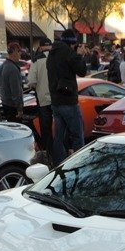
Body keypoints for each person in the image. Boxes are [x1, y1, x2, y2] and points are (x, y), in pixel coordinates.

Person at [46, 28, 87, 163]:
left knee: (59, 136)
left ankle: (59, 164)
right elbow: (82, 71)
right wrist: (80, 55)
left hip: (55, 101)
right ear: (72, 43)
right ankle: (79, 163)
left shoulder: (52, 53)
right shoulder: (69, 53)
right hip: (68, 100)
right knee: (77, 135)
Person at [27, 38, 53, 158]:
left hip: (43, 100)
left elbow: (31, 81)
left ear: (41, 47)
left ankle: (49, 154)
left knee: (46, 128)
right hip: (58, 99)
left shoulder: (36, 60)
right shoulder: (57, 58)